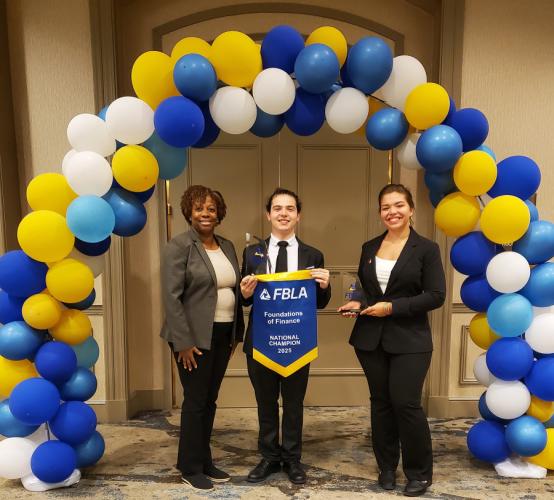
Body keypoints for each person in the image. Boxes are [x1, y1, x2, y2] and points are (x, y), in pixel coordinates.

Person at [338, 184, 446, 497]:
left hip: (411, 340)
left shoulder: (426, 248)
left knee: (406, 403)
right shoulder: (369, 246)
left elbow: (436, 295)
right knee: (381, 404)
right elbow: (361, 285)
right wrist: (354, 302)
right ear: (379, 213)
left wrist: (393, 308)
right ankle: (386, 467)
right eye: (386, 207)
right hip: (370, 339)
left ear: (411, 209)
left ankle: (419, 473)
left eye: (399, 205)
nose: (392, 212)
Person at [240, 187, 331, 485]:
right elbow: (244, 300)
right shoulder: (252, 252)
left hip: (297, 343)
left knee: (293, 405)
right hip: (262, 341)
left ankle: (292, 459)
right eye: (277, 208)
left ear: (298, 215)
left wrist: (325, 285)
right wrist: (243, 294)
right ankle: (268, 457)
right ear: (268, 214)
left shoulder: (312, 254)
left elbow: (319, 303)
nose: (283, 213)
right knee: (265, 402)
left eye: (289, 208)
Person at [160, 185, 244, 491]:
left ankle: (204, 460)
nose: (205, 214)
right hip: (192, 338)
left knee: (210, 400)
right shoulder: (179, 246)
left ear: (219, 214)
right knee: (195, 401)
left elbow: (232, 289)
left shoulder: (228, 245)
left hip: (223, 333)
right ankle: (190, 467)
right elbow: (171, 298)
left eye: (211, 208)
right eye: (199, 208)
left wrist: (236, 333)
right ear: (189, 213)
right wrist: (182, 342)